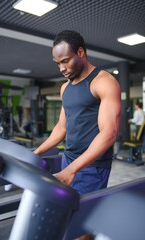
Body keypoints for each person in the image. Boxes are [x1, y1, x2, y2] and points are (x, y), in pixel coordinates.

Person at [34, 30, 121, 196]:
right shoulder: (65, 88)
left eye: (65, 61)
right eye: (57, 63)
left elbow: (110, 133)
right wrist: (36, 153)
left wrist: (73, 170)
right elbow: (61, 127)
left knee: (82, 214)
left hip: (92, 165)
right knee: (63, 209)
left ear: (80, 52)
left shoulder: (103, 82)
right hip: (68, 158)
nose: (62, 68)